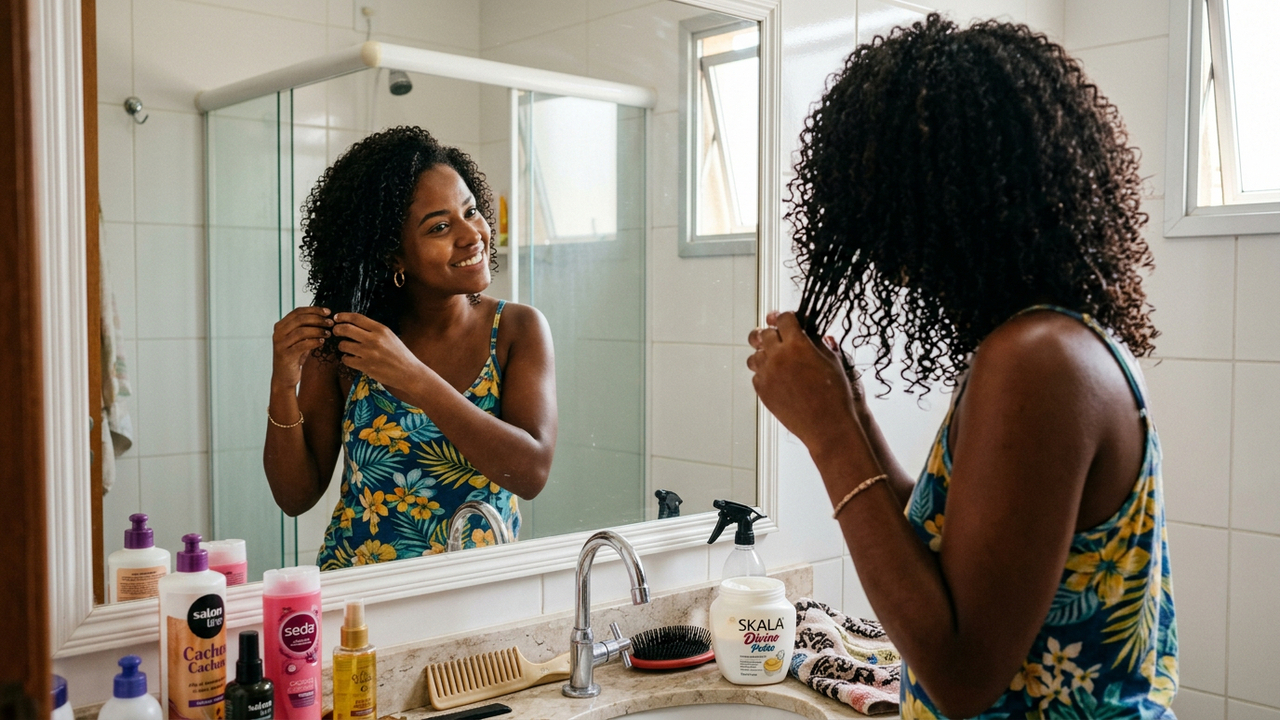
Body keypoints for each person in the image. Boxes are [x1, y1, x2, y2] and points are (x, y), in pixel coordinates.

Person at [748, 15, 1176, 719]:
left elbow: (961, 673)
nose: (880, 251)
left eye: (885, 210)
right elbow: (961, 560)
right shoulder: (1044, 341)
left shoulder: (1039, 362)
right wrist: (853, 412)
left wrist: (830, 435)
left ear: (954, 197)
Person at [264, 126, 557, 570]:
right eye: (440, 226)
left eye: (470, 211)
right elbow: (294, 497)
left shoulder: (517, 329)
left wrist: (414, 377)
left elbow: (531, 473)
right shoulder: (349, 345)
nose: (471, 234)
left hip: (476, 596)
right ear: (393, 256)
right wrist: (284, 382)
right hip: (358, 599)